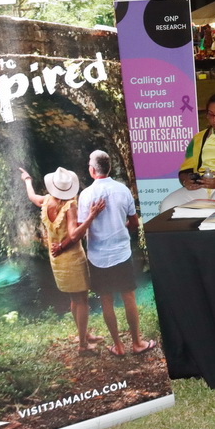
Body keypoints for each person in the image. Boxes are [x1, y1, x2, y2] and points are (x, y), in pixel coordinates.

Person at [19, 167, 105, 355]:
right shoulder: (70, 206)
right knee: (81, 300)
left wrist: (27, 180)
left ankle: (84, 334)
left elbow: (32, 197)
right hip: (72, 258)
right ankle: (83, 346)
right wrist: (92, 216)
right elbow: (74, 235)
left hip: (56, 259)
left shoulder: (46, 201)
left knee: (75, 299)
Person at [78, 150, 156, 357]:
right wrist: (121, 230)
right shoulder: (123, 190)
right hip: (121, 253)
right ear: (109, 168)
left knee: (106, 300)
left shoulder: (86, 195)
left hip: (97, 256)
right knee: (129, 297)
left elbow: (81, 227)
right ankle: (137, 343)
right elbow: (134, 222)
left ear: (92, 170)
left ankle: (118, 346)